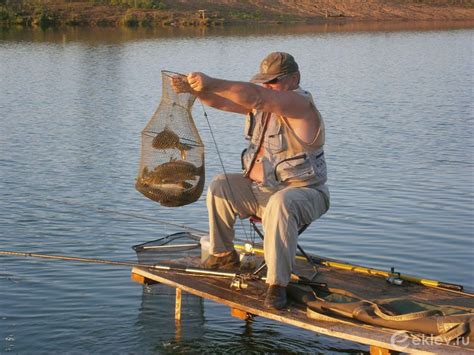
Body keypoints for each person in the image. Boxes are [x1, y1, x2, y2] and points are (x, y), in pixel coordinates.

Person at [172, 52, 330, 310]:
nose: (267, 86)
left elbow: (256, 96)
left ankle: (277, 284)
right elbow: (221, 102)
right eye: (263, 81)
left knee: (282, 202)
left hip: (306, 195)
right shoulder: (262, 106)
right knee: (221, 184)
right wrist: (196, 90)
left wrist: (211, 81)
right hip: (262, 192)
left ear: (294, 79)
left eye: (274, 81)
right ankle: (223, 255)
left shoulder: (301, 105)